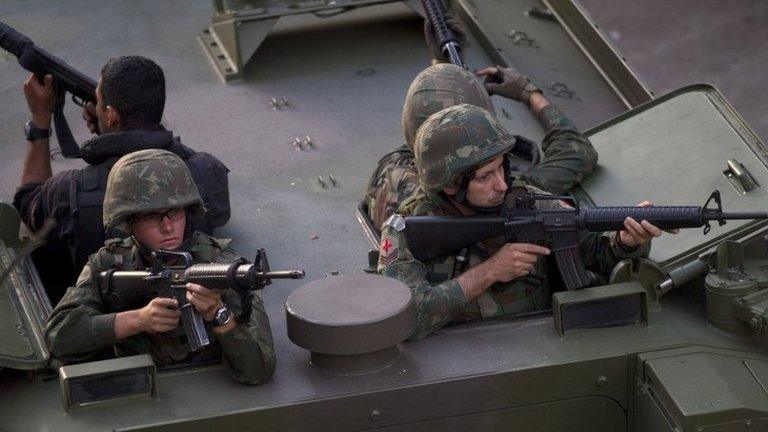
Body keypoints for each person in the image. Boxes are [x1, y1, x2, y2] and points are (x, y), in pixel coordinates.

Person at [378, 104, 671, 340]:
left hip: (541, 342)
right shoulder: (407, 228)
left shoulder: (526, 199)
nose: (502, 185)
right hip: (460, 363)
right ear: (451, 185)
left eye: (502, 168)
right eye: (485, 177)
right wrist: (490, 271)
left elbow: (598, 255)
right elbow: (405, 320)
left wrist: (625, 243)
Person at [44, 149, 274, 385]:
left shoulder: (222, 265)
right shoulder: (110, 262)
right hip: (139, 390)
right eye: (152, 217)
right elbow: (57, 336)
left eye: (174, 212)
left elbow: (260, 370)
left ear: (188, 211)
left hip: (208, 390)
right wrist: (137, 320)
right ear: (128, 222)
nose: (167, 227)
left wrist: (219, 315)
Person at [13, 55, 230, 281]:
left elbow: (28, 204)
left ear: (111, 114)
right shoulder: (208, 171)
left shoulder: (68, 189)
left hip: (108, 308)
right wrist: (111, 134)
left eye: (98, 102)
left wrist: (40, 118)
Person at [363, 63, 597, 233]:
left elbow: (420, 137)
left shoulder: (391, 173)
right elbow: (576, 150)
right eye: (484, 175)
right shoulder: (492, 199)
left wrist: (444, 72)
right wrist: (528, 92)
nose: (501, 184)